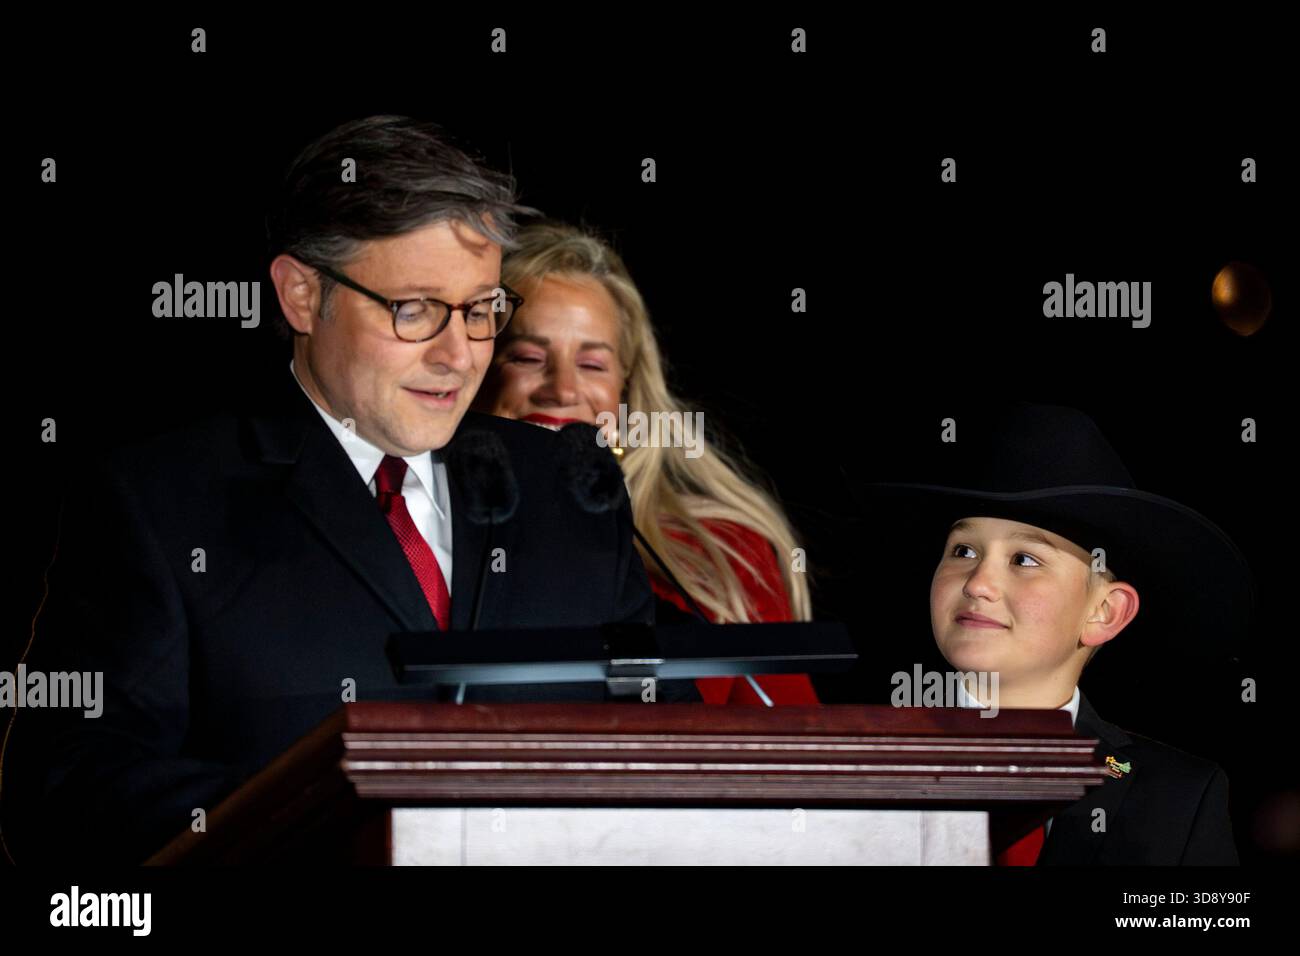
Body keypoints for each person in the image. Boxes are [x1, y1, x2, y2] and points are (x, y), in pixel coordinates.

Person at [0, 116, 694, 866]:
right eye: (416, 309)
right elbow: (72, 787)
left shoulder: (567, 484)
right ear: (302, 295)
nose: (458, 355)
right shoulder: (160, 502)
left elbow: (673, 749)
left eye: (482, 310)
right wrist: (347, 829)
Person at [863, 403, 1253, 864]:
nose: (977, 583)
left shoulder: (1177, 796)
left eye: (1024, 560)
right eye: (963, 550)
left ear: (1105, 612)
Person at [474, 221, 818, 706]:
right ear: (475, 368)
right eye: (527, 357)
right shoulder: (422, 534)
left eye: (592, 365)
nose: (563, 389)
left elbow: (794, 757)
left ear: (626, 390)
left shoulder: (719, 552)